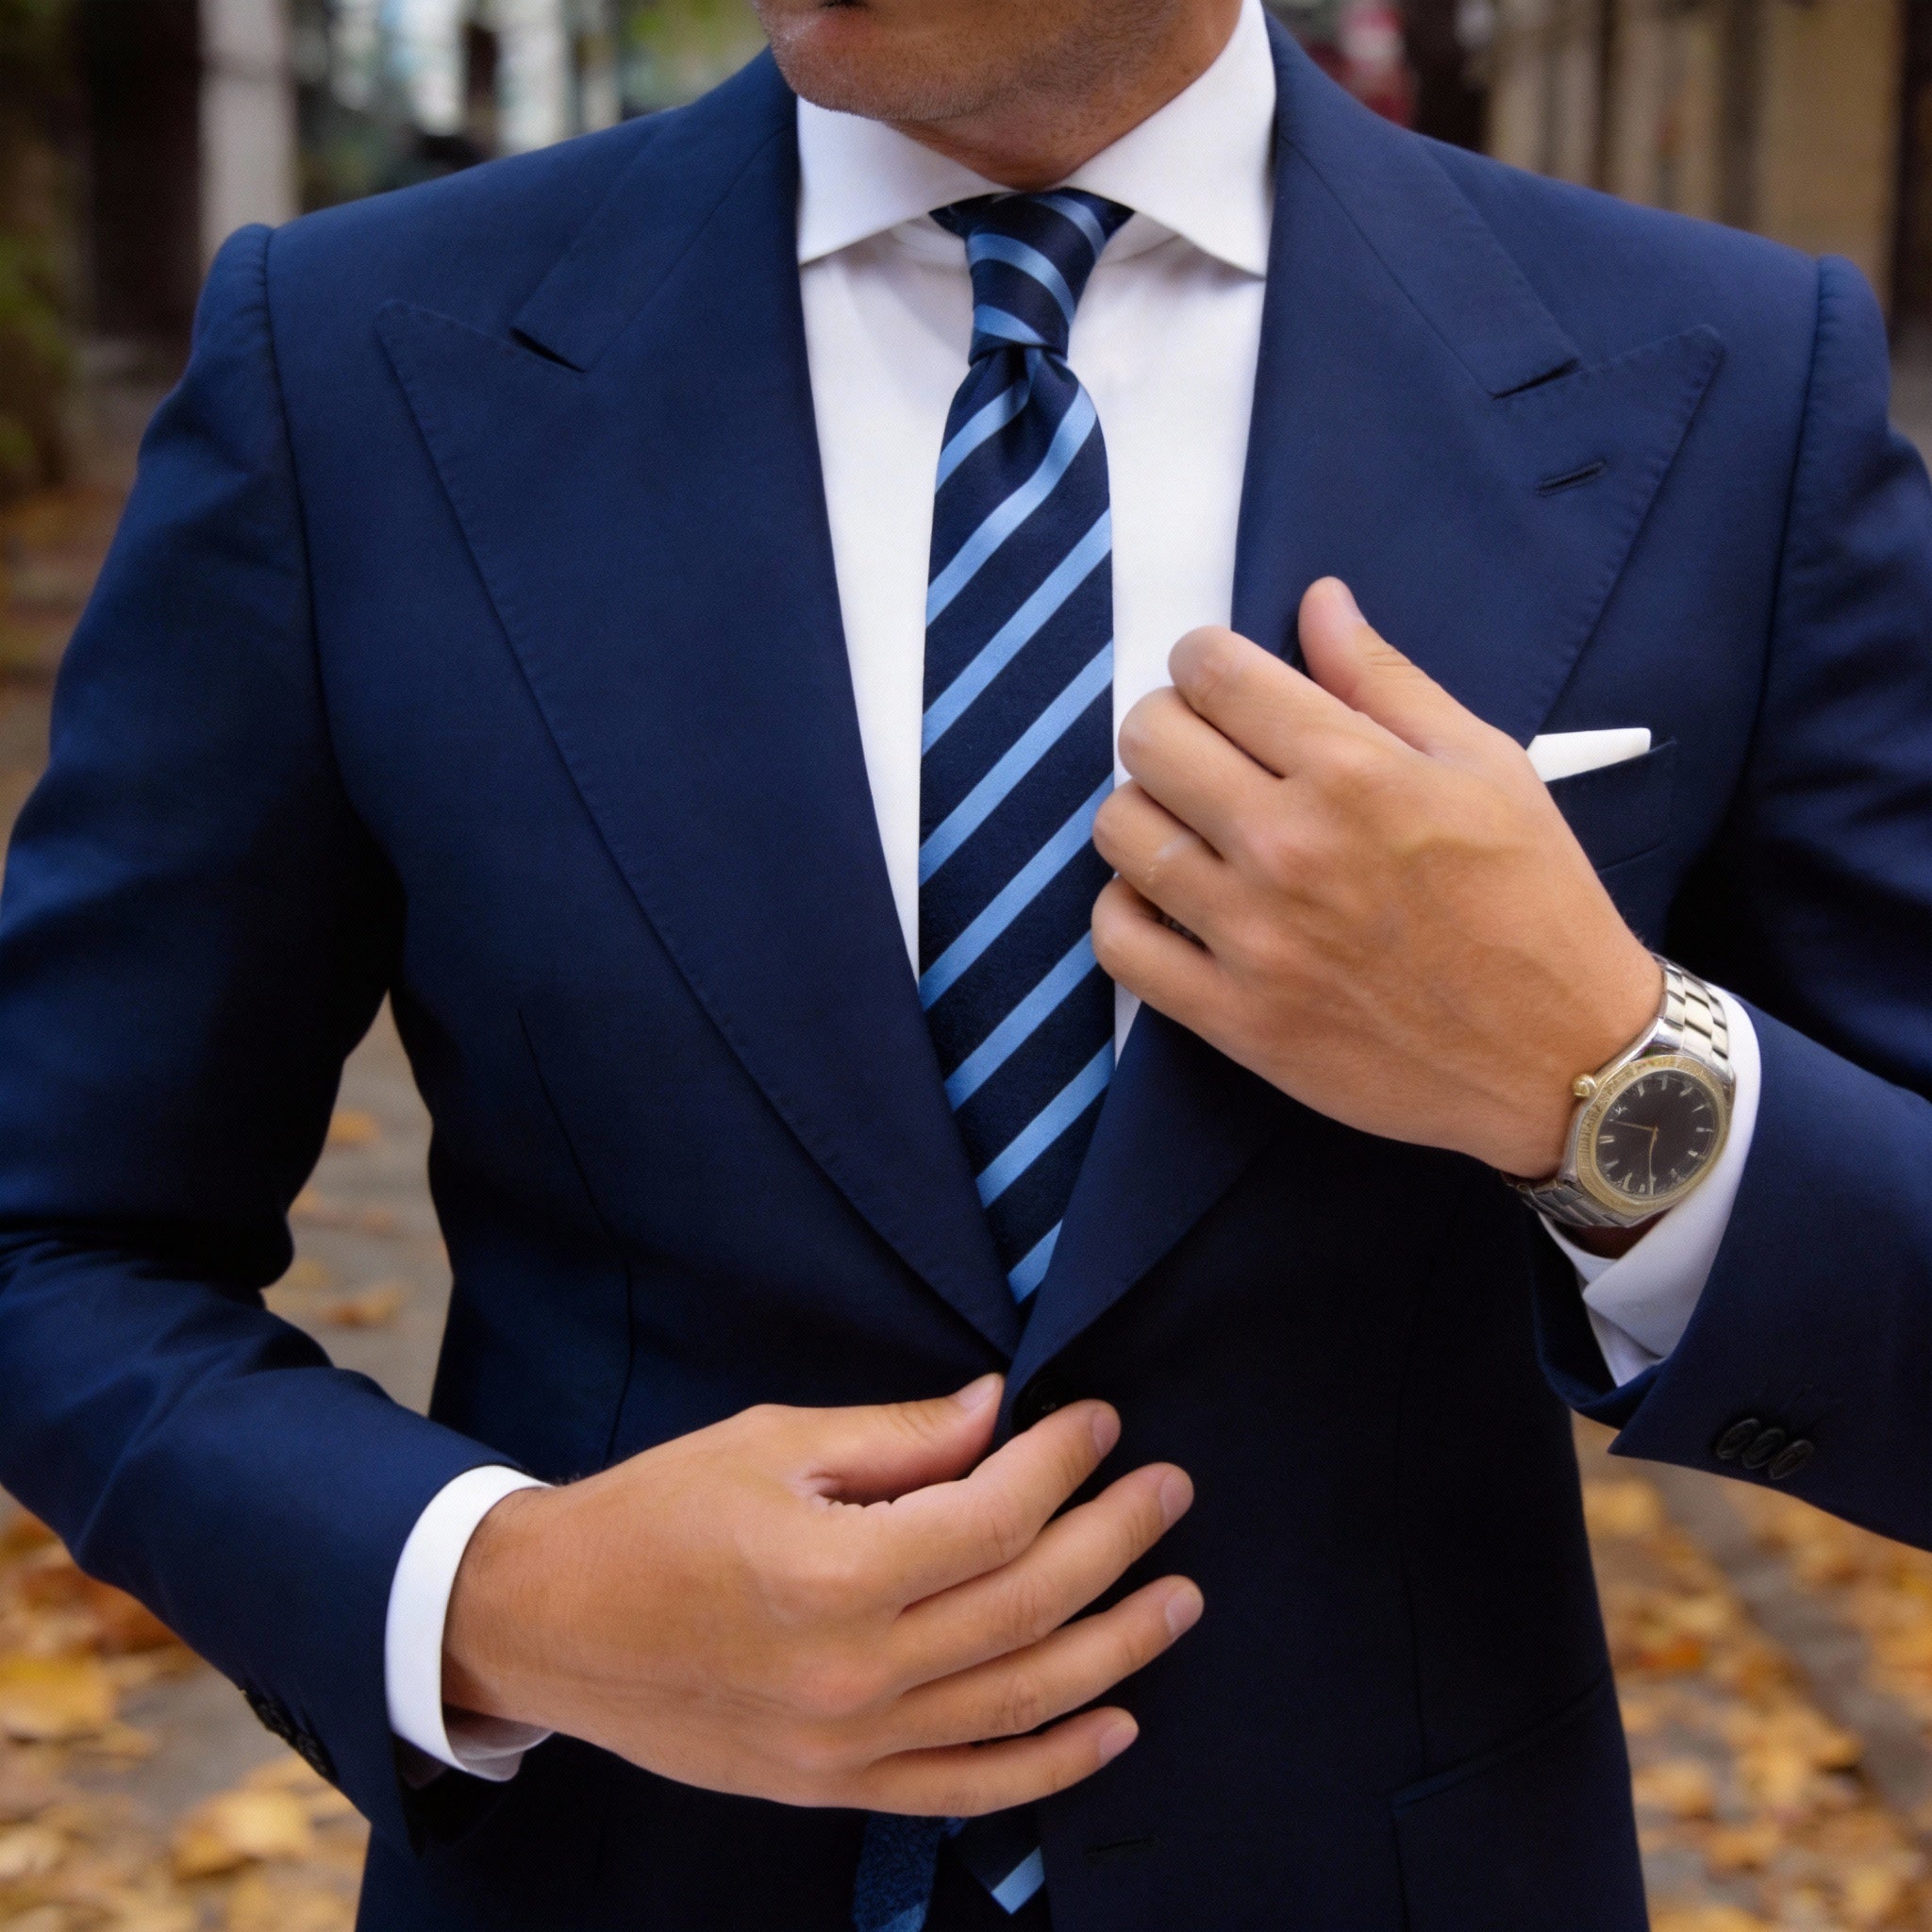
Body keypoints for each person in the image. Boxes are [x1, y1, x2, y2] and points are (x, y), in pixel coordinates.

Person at [1, 0, 1928, 1923]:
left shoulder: (1726, 384)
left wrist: (1602, 1078)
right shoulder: (347, 362)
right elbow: (53, 1231)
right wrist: (497, 1597)